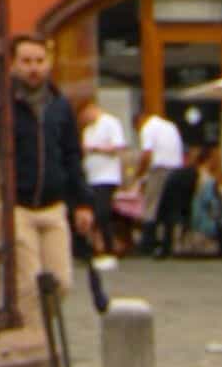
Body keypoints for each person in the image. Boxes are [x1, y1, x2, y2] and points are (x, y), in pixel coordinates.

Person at [0, 36, 93, 329]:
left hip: (54, 206)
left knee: (61, 281)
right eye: (26, 61)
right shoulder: (1, 106)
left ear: (48, 63)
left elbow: (72, 156)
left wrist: (83, 203)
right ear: (13, 64)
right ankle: (35, 345)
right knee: (27, 285)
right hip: (18, 207)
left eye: (39, 61)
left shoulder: (60, 106)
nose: (33, 68)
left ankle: (38, 337)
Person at [135, 97, 191, 255]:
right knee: (169, 209)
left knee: (151, 205)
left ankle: (148, 243)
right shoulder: (170, 125)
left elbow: (147, 154)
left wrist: (140, 174)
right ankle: (168, 243)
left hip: (160, 169)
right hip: (177, 170)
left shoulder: (147, 127)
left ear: (139, 121)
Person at [81, 86, 128, 248]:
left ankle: (108, 246)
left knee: (102, 212)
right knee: (93, 212)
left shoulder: (110, 122)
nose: (84, 117)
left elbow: (118, 147)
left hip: (106, 176)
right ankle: (95, 245)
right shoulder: (87, 130)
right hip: (92, 176)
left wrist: (95, 148)